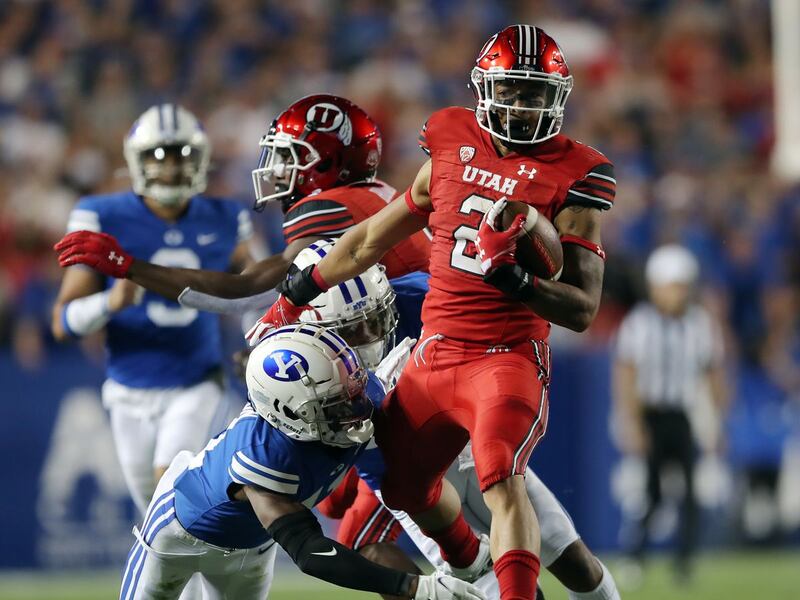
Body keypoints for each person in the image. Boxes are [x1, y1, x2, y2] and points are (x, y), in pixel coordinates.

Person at [247, 24, 616, 600]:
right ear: (485, 89)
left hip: (505, 357)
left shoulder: (576, 172)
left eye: (536, 94)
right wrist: (293, 295)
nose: (523, 107)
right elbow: (368, 239)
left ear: (558, 98)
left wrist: (517, 279)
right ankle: (472, 568)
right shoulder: (450, 141)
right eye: (513, 91)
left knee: (503, 481)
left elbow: (582, 309)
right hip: (434, 353)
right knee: (401, 483)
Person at [291, 240, 621, 600]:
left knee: (574, 562)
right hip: (402, 471)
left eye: (376, 319)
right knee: (486, 582)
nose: (371, 335)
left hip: (466, 438)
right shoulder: (303, 361)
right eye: (354, 328)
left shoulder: (421, 295)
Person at [120, 323, 484, 600]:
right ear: (288, 415)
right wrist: (413, 587)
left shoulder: (355, 395)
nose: (354, 407)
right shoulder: (264, 458)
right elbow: (311, 552)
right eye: (335, 405)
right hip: (178, 535)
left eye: (351, 392)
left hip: (252, 548)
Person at [54, 94, 430, 346]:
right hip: (426, 333)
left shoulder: (331, 205)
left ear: (327, 161)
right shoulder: (374, 193)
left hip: (420, 343)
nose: (278, 170)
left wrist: (130, 266)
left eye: (289, 156)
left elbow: (246, 288)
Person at [51, 104, 255, 514]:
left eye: (182, 155)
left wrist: (258, 339)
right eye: (160, 155)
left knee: (170, 486)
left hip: (195, 379)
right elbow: (62, 322)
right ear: (137, 160)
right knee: (158, 517)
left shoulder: (226, 215)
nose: (172, 168)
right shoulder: (101, 214)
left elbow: (254, 292)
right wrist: (109, 302)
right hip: (128, 389)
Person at [613, 244, 726, 580]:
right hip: (652, 414)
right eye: (671, 285)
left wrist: (716, 421)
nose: (677, 293)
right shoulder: (639, 324)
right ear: (656, 286)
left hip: (682, 415)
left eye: (681, 285)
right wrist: (631, 422)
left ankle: (684, 563)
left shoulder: (700, 324)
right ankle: (635, 556)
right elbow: (626, 375)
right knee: (652, 491)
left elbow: (712, 372)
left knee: (690, 492)